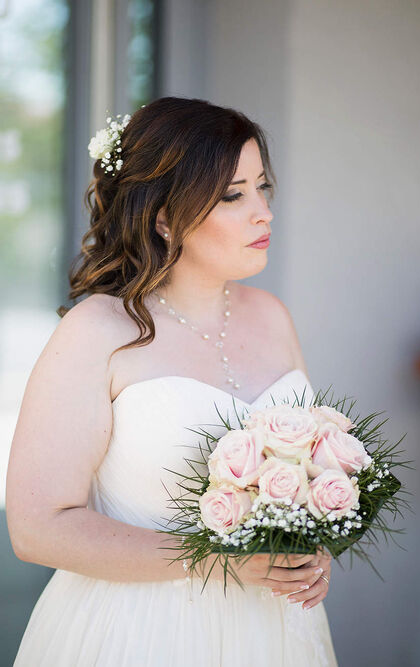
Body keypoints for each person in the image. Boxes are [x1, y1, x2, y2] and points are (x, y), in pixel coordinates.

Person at [6, 96, 338, 666]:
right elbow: (37, 528)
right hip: (140, 633)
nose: (263, 212)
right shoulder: (99, 331)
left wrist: (312, 548)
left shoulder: (271, 315)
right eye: (234, 195)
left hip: (275, 632)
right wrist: (217, 559)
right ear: (164, 216)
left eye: (263, 188)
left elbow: (306, 469)